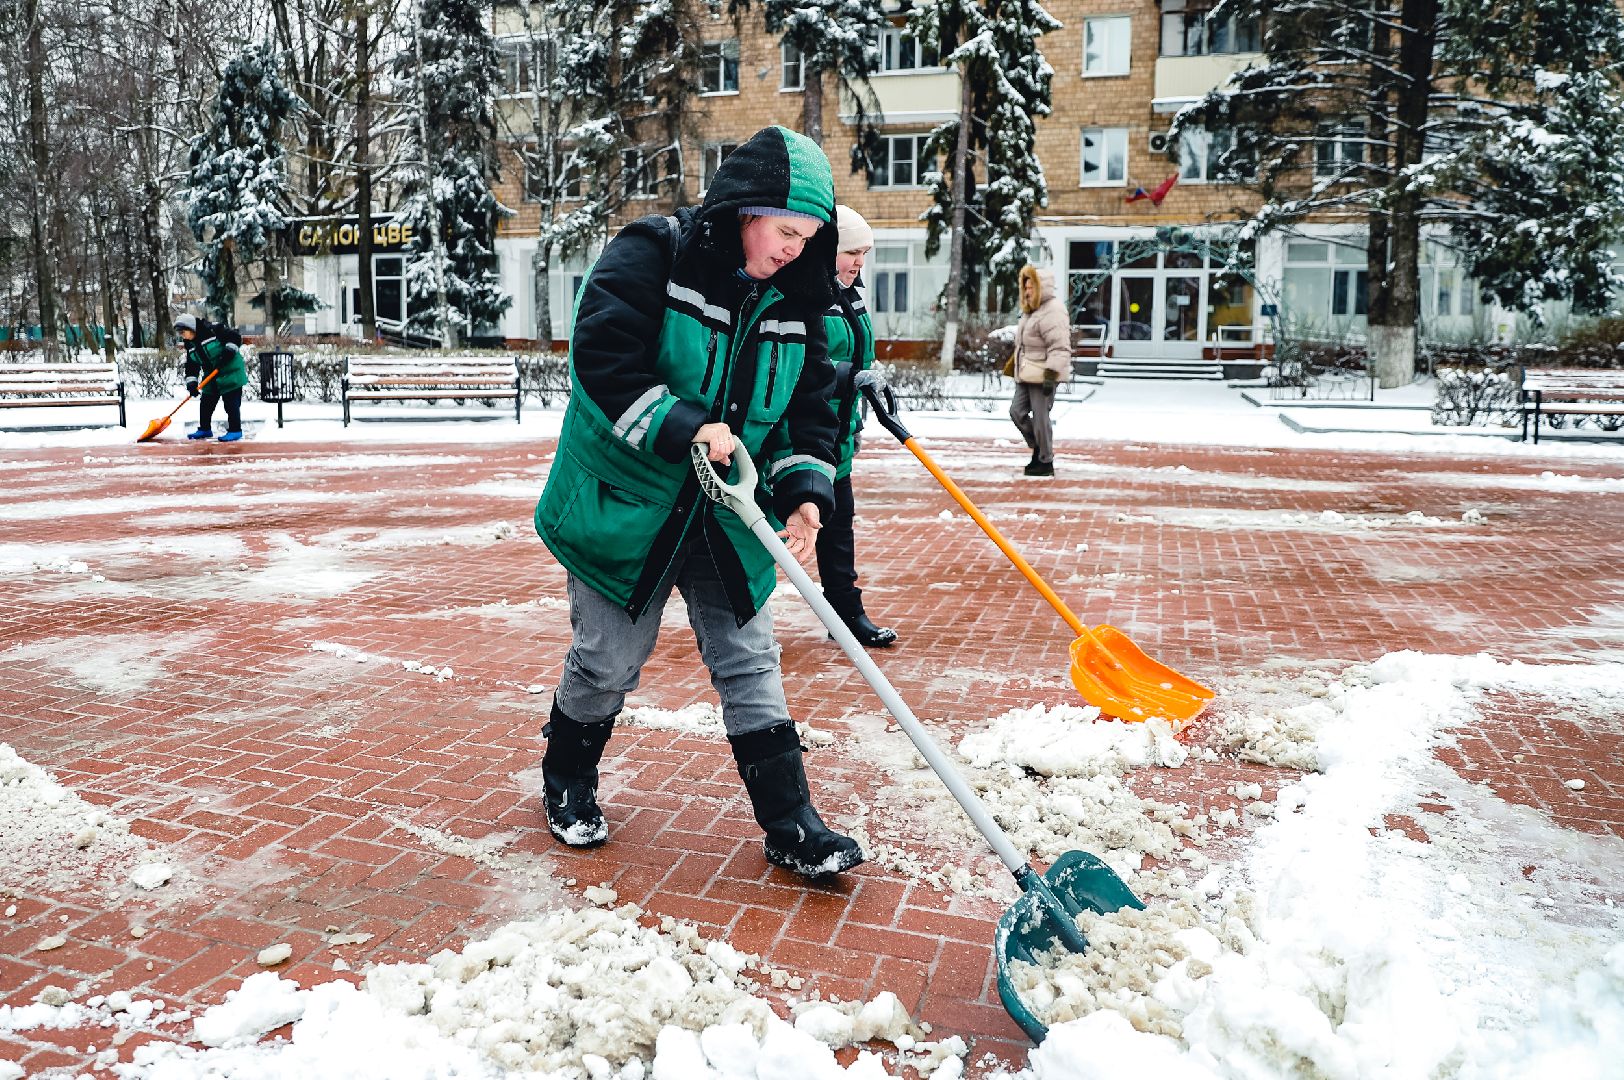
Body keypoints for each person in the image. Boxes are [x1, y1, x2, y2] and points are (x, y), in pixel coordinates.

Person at [533, 125, 863, 879]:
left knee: (751, 661)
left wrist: (805, 491)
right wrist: (688, 426)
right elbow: (604, 362)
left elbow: (806, 408)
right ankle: (567, 780)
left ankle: (791, 822)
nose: (793, 249)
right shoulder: (653, 255)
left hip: (723, 513)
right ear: (747, 211)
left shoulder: (793, 300)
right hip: (630, 500)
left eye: (808, 238)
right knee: (607, 662)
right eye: (785, 231)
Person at [816, 206, 897, 649]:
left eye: (864, 253)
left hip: (838, 430)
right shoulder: (805, 294)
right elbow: (802, 366)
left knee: (838, 525)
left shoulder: (851, 293)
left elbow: (857, 352)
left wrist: (866, 380)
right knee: (770, 531)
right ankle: (740, 622)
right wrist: (850, 375)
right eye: (851, 252)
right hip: (795, 436)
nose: (858, 262)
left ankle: (845, 615)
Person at [1008, 265, 1071, 477]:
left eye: (1031, 287)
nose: (1027, 292)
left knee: (1041, 418)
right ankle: (1039, 447)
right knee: (1016, 412)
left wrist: (1051, 375)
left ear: (1041, 287)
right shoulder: (1031, 310)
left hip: (1043, 374)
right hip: (1026, 372)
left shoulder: (1053, 310)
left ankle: (1045, 461)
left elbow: (1060, 346)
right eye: (1025, 287)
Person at [176, 313, 248, 442]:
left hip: (230, 371)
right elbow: (192, 365)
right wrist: (191, 383)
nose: (182, 335)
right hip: (212, 374)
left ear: (191, 328)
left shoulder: (213, 330)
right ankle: (205, 429)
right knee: (206, 402)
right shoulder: (190, 344)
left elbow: (235, 336)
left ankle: (235, 430)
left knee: (231, 403)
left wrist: (229, 351)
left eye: (183, 331)